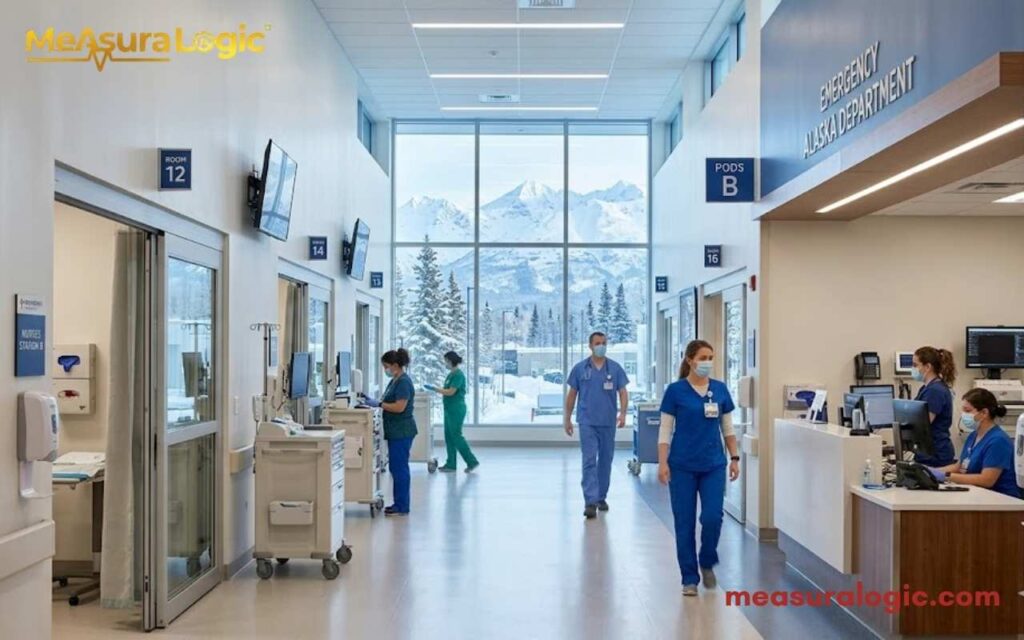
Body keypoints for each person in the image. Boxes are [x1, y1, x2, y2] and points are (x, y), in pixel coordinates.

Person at [658, 339, 740, 596]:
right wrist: (662, 462)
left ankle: (707, 560)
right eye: (703, 358)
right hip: (682, 465)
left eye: (711, 358)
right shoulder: (675, 391)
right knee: (684, 522)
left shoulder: (720, 390)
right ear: (690, 360)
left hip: (713, 464)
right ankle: (689, 578)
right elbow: (664, 431)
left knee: (712, 517)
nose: (707, 363)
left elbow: (727, 428)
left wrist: (735, 457)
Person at [564, 331, 629, 519]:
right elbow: (572, 395)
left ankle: (601, 496)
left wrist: (623, 413)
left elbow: (623, 392)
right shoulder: (580, 369)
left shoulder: (614, 369)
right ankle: (590, 501)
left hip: (608, 422)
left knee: (606, 460)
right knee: (589, 460)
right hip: (587, 422)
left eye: (604, 343)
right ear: (590, 346)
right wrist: (567, 418)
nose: (601, 346)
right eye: (598, 343)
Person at [929, 388, 1021, 499]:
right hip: (978, 495)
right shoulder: (973, 436)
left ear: (984, 413)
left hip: (1002, 501)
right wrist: (929, 472)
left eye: (967, 411)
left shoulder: (998, 441)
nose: (963, 415)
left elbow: (986, 480)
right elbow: (959, 466)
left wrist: (946, 476)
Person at [425, 351, 479, 473]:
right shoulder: (451, 375)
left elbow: (451, 392)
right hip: (449, 409)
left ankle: (472, 461)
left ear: (450, 361)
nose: (445, 363)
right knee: (449, 437)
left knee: (456, 436)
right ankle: (451, 464)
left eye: (446, 361)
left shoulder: (458, 375)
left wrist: (435, 389)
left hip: (457, 409)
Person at [379, 349, 417, 516]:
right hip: (396, 431)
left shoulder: (403, 382)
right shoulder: (395, 380)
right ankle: (399, 503)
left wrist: (379, 405)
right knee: (396, 467)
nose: (385, 370)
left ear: (395, 365)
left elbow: (399, 407)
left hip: (402, 431)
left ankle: (402, 506)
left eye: (386, 366)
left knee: (399, 468)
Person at [910, 346, 956, 466]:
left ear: (928, 367)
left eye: (915, 365)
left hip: (936, 454)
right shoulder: (927, 388)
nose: (913, 369)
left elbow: (923, 423)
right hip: (927, 451)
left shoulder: (935, 391)